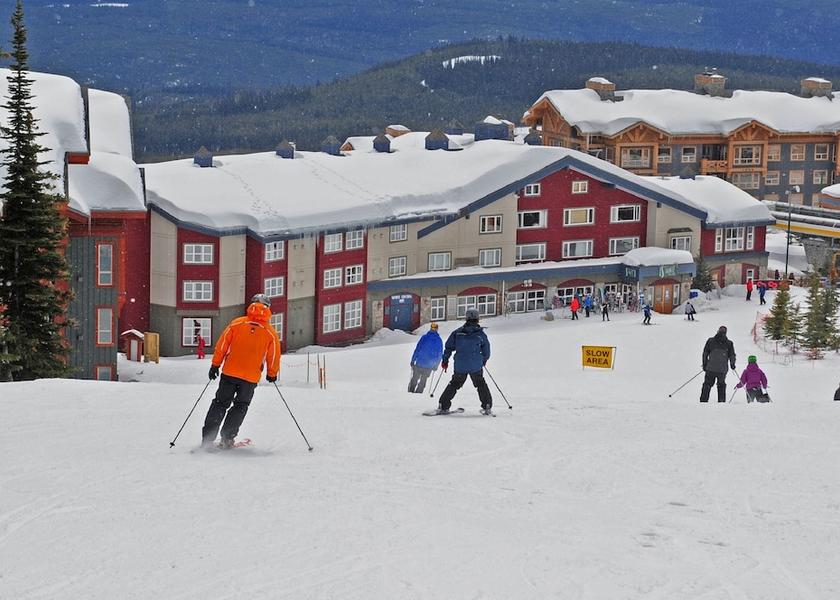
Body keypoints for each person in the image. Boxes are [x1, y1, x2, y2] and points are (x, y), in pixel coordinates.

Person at [201, 293, 281, 449]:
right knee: (240, 406)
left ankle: (207, 439)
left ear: (251, 305)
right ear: (268, 308)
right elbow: (273, 356)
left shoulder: (237, 324)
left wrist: (215, 364)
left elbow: (222, 345)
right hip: (250, 378)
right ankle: (227, 438)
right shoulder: (270, 332)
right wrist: (272, 373)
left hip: (230, 372)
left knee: (219, 403)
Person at [435, 308, 492, 415]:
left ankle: (443, 405)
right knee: (480, 384)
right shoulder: (481, 335)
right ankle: (487, 406)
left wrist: (445, 360)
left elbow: (448, 348)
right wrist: (483, 361)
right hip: (475, 365)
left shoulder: (457, 333)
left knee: (454, 384)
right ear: (477, 319)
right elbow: (487, 351)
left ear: (466, 318)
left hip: (460, 365)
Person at [700, 325, 736, 403]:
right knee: (721, 384)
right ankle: (721, 401)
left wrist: (704, 364)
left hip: (710, 368)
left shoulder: (710, 341)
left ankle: (703, 400)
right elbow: (732, 355)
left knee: (707, 384)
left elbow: (705, 353)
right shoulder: (729, 343)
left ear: (718, 331)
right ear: (726, 333)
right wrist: (732, 364)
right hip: (722, 369)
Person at [408, 322, 443, 393]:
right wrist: (436, 365)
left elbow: (417, 349)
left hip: (419, 363)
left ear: (430, 328)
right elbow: (439, 355)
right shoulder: (439, 340)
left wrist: (413, 360)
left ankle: (410, 392)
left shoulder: (424, 337)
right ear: (437, 329)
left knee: (414, 378)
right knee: (423, 381)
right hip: (429, 365)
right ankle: (418, 394)